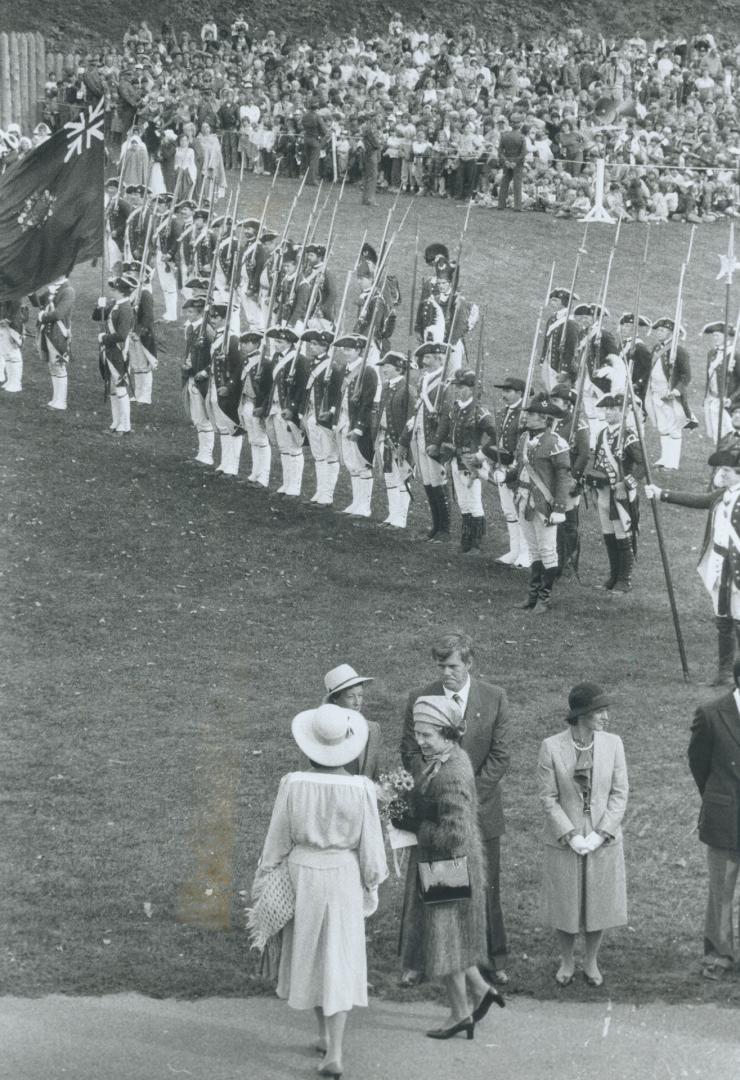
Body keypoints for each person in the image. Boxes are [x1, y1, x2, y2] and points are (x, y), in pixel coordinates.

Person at [254, 702, 387, 1077]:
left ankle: (323, 1035)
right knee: (339, 957)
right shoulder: (361, 788)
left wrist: (266, 874)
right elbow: (372, 850)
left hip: (304, 875)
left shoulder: (294, 784)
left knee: (311, 951)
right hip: (342, 875)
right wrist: (372, 880)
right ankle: (335, 1048)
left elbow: (276, 840)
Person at [401, 631, 511, 985]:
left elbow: (500, 754)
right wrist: (434, 784)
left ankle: (492, 960)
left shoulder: (494, 698)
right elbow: (409, 750)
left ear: (469, 663)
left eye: (452, 666)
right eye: (440, 666)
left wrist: (466, 792)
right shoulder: (420, 698)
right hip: (437, 806)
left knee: (484, 888)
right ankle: (422, 960)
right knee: (435, 888)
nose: (445, 672)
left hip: (481, 809)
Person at [395, 695, 505, 1036]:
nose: (421, 742)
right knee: (451, 936)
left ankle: (460, 1014)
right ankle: (482, 990)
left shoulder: (454, 770)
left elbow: (455, 834)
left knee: (445, 941)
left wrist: (415, 826)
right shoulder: (441, 759)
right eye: (418, 734)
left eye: (427, 735)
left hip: (450, 862)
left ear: (447, 732)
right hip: (444, 862)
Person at [537, 682, 628, 988]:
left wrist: (602, 833)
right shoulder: (551, 746)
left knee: (597, 902)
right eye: (600, 711)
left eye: (606, 711)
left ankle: (591, 960)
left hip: (603, 837)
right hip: (566, 838)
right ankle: (566, 959)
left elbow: (620, 794)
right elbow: (548, 798)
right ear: (581, 715)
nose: (606, 717)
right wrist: (571, 834)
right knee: (566, 902)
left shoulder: (614, 744)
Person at [645, 448, 740, 686]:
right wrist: (661, 494)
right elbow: (701, 500)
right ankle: (725, 672)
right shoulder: (723, 494)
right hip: (721, 566)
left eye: (727, 470)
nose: (722, 473)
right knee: (723, 619)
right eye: (721, 469)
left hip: (737, 568)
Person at [496, 393, 572, 612]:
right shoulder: (524, 439)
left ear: (544, 418)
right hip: (523, 499)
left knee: (547, 550)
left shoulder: (557, 442)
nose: (527, 417)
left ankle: (544, 598)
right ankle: (532, 596)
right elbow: (520, 467)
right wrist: (507, 476)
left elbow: (563, 477)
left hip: (544, 504)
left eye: (532, 414)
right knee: (534, 549)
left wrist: (559, 507)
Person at [688, 660, 740, 979]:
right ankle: (720, 955)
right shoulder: (710, 713)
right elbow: (699, 764)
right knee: (721, 888)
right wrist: (718, 798)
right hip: (724, 816)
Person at [429, 368, 496, 553]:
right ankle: (466, 539)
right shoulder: (456, 408)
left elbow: (495, 436)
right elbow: (447, 428)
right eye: (457, 386)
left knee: (474, 501)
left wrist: (481, 454)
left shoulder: (480, 412)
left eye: (463, 387)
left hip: (470, 462)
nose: (458, 390)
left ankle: (475, 542)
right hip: (454, 460)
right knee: (463, 501)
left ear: (473, 388)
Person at [586, 393, 644, 593]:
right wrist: (593, 485)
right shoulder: (602, 433)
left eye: (613, 408)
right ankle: (613, 576)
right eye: (607, 408)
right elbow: (598, 463)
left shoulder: (628, 435)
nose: (608, 412)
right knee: (609, 535)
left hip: (620, 496)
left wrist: (625, 485)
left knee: (623, 535)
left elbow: (643, 465)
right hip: (603, 492)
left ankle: (624, 579)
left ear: (624, 411)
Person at [482, 376, 530, 566]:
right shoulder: (502, 413)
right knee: (509, 510)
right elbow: (496, 438)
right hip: (501, 466)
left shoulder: (524, 415)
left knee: (521, 510)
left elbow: (525, 444)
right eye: (504, 391)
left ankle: (527, 553)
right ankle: (514, 549)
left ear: (519, 393)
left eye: (508, 391)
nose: (504, 394)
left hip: (516, 468)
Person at [645, 316, 692, 472]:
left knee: (674, 428)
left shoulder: (679, 350)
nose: (659, 333)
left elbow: (686, 375)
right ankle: (664, 459)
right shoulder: (656, 348)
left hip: (670, 394)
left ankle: (672, 463)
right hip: (656, 392)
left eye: (663, 330)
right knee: (663, 427)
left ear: (672, 333)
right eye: (658, 330)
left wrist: (676, 390)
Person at [322, 664, 380, 779]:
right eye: (350, 697)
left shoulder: (373, 729)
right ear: (334, 699)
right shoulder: (321, 729)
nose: (357, 702)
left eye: (360, 695)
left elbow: (374, 774)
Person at [33, 276, 75, 411]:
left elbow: (59, 314)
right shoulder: (55, 289)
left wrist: (42, 317)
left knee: (59, 366)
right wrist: (29, 291)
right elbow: (38, 302)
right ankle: (55, 399)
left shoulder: (68, 290)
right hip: (49, 332)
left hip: (59, 333)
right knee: (53, 366)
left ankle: (61, 401)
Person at [702, 321, 740, 446]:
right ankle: (720, 462)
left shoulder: (735, 354)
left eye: (718, 335)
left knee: (729, 434)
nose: (715, 338)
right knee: (717, 434)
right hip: (713, 399)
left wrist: (731, 398)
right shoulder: (712, 353)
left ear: (726, 336)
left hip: (728, 402)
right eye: (714, 335)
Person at [497, 124, 527, 211]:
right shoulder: (521, 137)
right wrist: (515, 162)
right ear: (519, 127)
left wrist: (506, 161)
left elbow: (500, 151)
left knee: (504, 182)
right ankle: (517, 206)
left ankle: (501, 204)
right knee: (517, 184)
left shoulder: (504, 136)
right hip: (517, 163)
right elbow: (523, 153)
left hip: (507, 161)